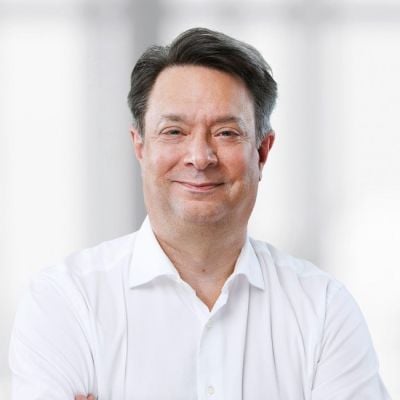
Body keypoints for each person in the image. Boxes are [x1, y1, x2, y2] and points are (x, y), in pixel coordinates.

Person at [9, 27, 390, 400]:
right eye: (174, 132)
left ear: (262, 151)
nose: (199, 158)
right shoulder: (66, 302)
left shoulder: (322, 308)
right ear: (140, 146)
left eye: (226, 133)